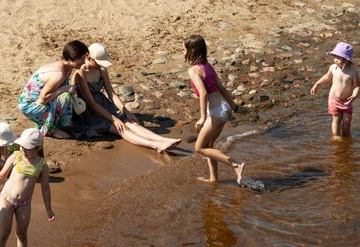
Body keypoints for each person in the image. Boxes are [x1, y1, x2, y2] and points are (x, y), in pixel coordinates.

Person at [72, 43, 182, 152]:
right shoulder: (81, 72)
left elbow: (112, 94)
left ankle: (163, 140)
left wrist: (125, 111)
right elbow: (91, 103)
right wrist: (114, 119)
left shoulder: (102, 70)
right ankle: (155, 145)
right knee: (121, 128)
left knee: (130, 122)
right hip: (89, 110)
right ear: (89, 58)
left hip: (103, 103)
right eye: (99, 62)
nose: (101, 65)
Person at [184, 35, 245, 184]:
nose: (183, 51)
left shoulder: (193, 70)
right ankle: (213, 179)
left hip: (216, 113)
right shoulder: (208, 66)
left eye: (184, 48)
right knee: (209, 146)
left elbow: (203, 93)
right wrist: (234, 107)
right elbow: (222, 89)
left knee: (199, 148)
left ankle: (235, 165)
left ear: (191, 50)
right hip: (223, 108)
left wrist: (202, 117)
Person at [18, 40, 89, 139]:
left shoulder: (67, 68)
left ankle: (54, 124)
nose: (84, 62)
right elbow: (43, 98)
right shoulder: (58, 74)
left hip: (39, 102)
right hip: (30, 105)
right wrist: (65, 88)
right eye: (82, 59)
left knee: (67, 97)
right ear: (73, 58)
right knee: (66, 97)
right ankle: (50, 129)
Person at [310, 42, 360, 137]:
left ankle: (346, 135)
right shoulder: (333, 68)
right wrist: (317, 84)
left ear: (346, 59)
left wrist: (354, 95)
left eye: (339, 58)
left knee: (347, 120)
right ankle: (336, 136)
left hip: (347, 101)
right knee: (336, 119)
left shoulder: (353, 72)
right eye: (335, 57)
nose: (336, 60)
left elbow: (357, 86)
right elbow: (327, 77)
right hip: (334, 99)